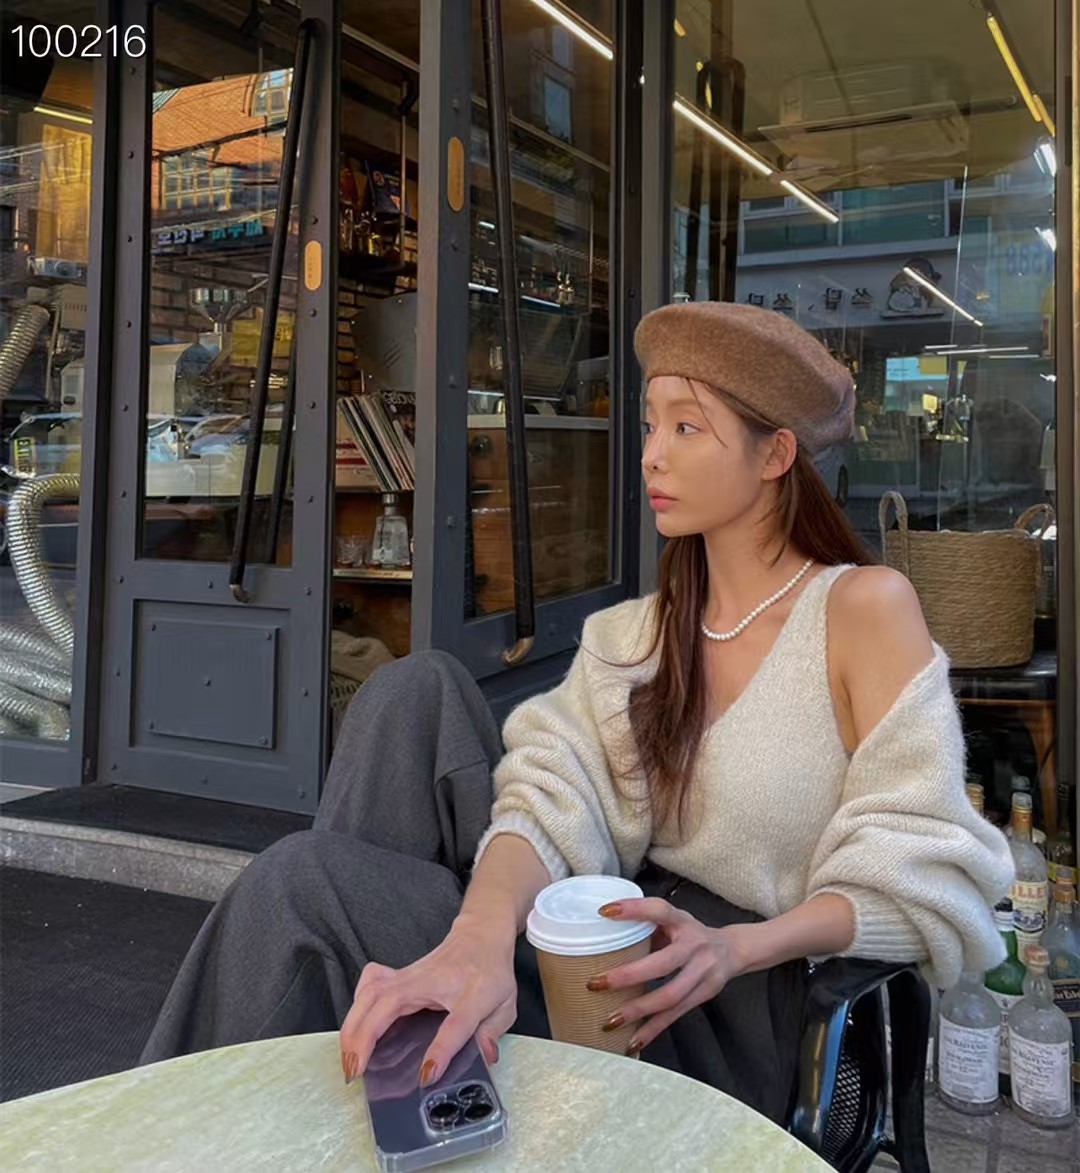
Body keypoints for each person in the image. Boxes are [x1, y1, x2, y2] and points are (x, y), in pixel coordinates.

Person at [140, 302, 1014, 1124]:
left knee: (307, 885)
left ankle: (276, 1098)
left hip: (706, 1005)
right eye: (650, 425)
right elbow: (556, 792)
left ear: (775, 454)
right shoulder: (639, 634)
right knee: (416, 688)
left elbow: (933, 866)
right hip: (589, 954)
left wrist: (739, 948)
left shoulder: (860, 608)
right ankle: (407, 1043)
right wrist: (481, 939)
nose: (652, 456)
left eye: (686, 427)